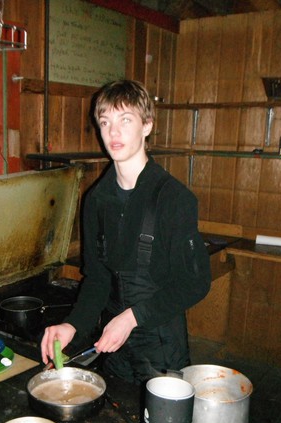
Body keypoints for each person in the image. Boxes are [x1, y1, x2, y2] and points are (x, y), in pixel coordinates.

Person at [40, 79, 211, 384]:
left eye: (125, 120)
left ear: (147, 125)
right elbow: (97, 278)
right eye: (105, 122)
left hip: (161, 345)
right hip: (113, 343)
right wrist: (73, 325)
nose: (113, 132)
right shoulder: (96, 200)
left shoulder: (174, 199)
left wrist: (132, 318)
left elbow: (194, 283)